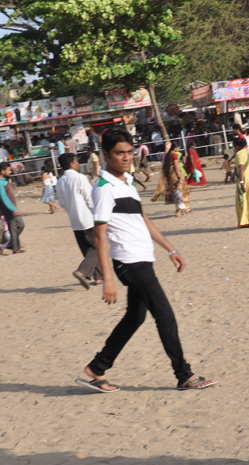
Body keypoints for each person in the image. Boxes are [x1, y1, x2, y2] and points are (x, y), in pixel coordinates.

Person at [75, 127, 216, 393]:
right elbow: (100, 236)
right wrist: (107, 279)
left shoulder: (126, 182)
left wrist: (170, 249)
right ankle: (184, 375)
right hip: (128, 262)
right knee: (164, 315)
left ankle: (96, 368)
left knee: (134, 317)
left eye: (129, 152)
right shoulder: (104, 188)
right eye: (119, 153)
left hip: (142, 257)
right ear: (106, 154)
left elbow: (142, 220)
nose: (126, 157)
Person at [56, 152, 103, 288]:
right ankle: (82, 272)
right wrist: (98, 214)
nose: (78, 164)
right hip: (87, 218)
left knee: (87, 249)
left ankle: (98, 277)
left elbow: (62, 203)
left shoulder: (59, 182)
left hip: (74, 220)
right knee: (96, 246)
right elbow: (90, 198)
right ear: (71, 163)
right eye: (76, 162)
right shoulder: (80, 178)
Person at [0, 162, 24, 254]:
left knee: (21, 225)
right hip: (9, 210)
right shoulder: (0, 183)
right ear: (2, 171)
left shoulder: (5, 181)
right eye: (8, 170)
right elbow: (3, 198)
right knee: (13, 229)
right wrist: (13, 209)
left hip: (13, 209)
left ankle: (9, 244)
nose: (10, 172)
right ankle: (15, 249)